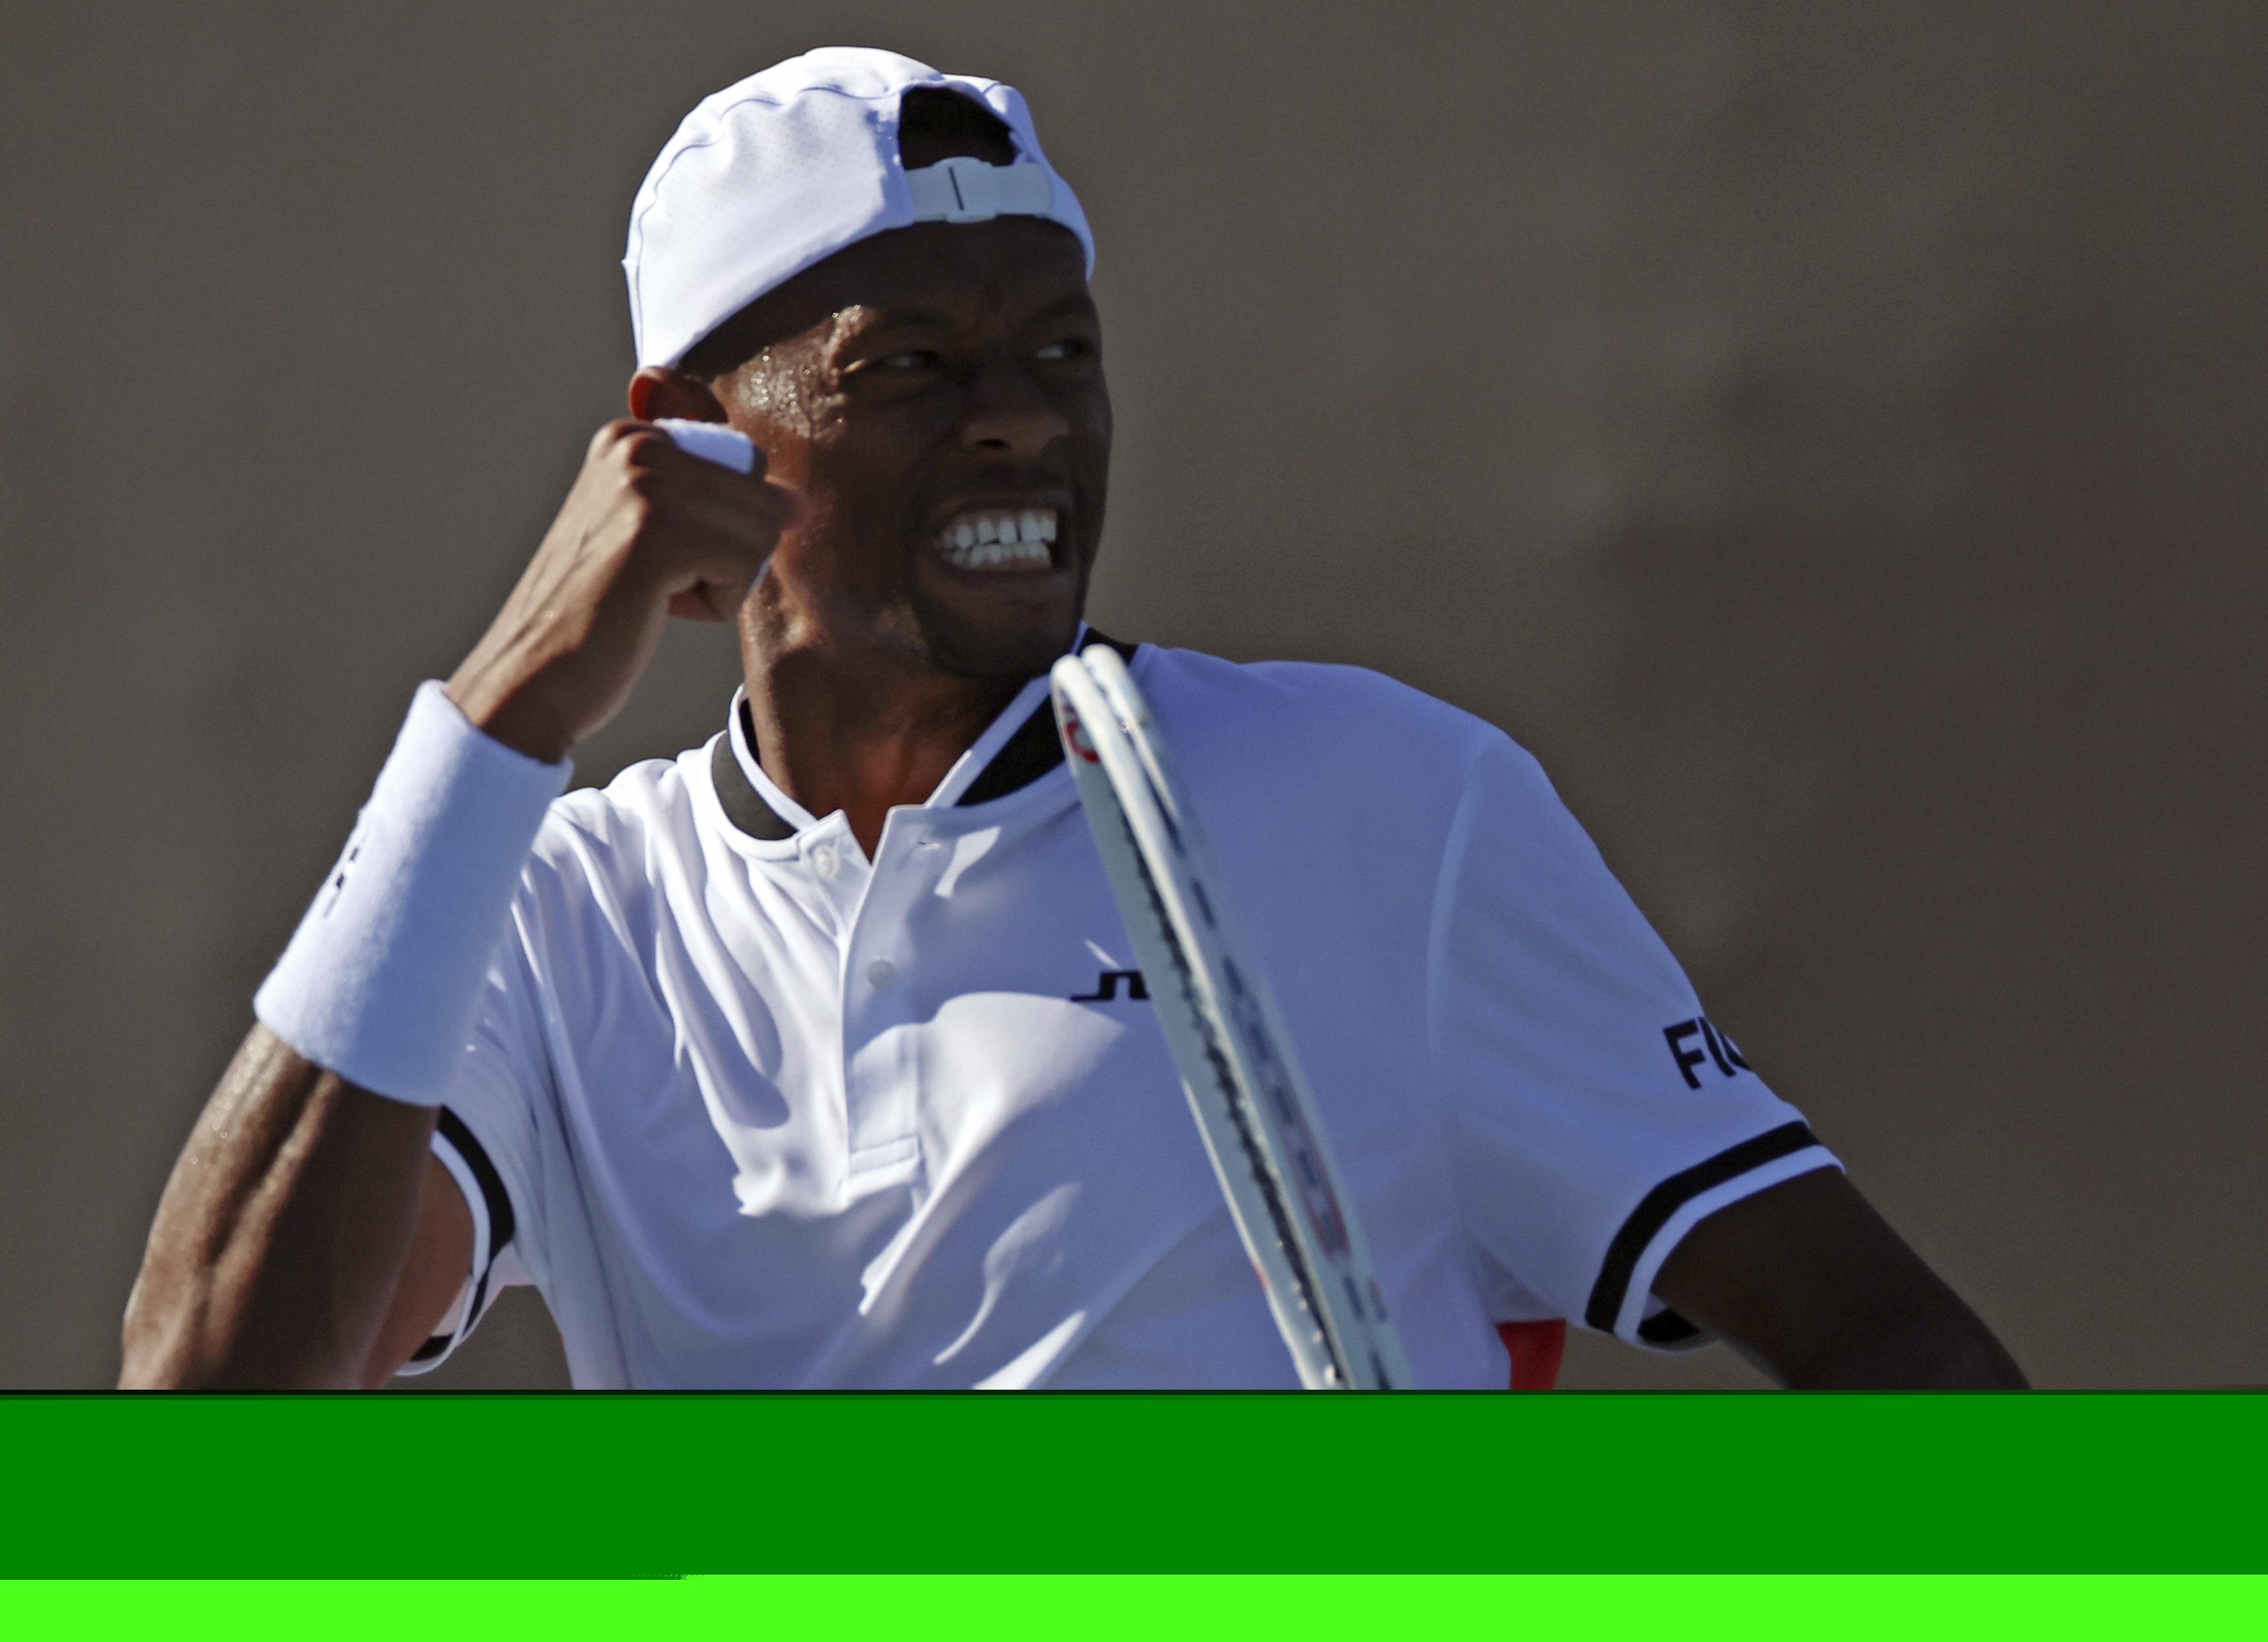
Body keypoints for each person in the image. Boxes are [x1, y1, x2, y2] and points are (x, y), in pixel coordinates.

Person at [118, 48, 2025, 1392]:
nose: (1018, 415)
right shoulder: (558, 910)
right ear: (689, 427)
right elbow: (214, 1413)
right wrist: (504, 709)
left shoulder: (1386, 802)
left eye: (1059, 353)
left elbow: (1900, 1356)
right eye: (917, 368)